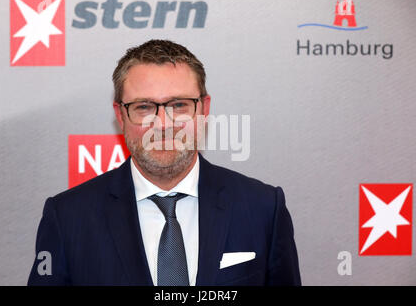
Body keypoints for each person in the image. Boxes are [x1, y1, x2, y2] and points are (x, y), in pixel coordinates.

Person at [28, 39, 301, 286]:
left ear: (204, 110)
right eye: (144, 107)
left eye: (179, 105)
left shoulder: (263, 208)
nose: (162, 125)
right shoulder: (67, 218)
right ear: (120, 116)